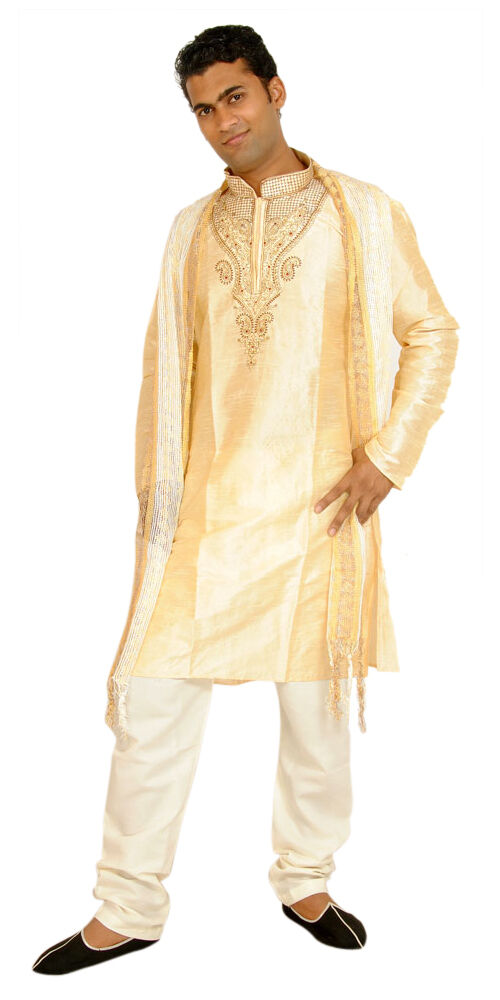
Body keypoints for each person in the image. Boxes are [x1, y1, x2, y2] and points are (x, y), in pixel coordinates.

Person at [32, 24, 460, 975]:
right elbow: (162, 373)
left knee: (315, 717)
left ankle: (306, 879)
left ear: (274, 90)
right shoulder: (189, 228)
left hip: (320, 511)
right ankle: (127, 907)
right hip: (207, 513)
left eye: (234, 96)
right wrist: (158, 509)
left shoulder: (363, 211)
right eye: (201, 109)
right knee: (150, 707)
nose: (221, 121)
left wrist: (388, 458)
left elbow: (433, 331)